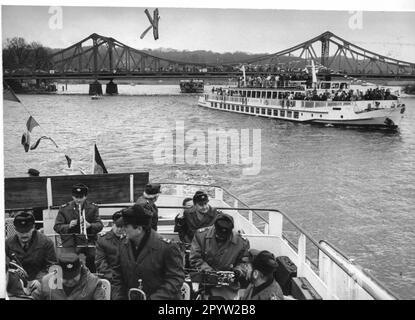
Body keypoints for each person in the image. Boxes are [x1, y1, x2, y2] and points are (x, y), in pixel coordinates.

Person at [111, 204, 185, 300]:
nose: (122, 229)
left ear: (139, 229)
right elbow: (117, 276)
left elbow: (175, 279)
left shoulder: (167, 247)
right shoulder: (123, 244)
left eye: (126, 226)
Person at [189, 212, 250, 299]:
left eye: (225, 235)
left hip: (228, 284)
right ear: (214, 228)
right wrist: (211, 273)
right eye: (219, 234)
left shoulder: (242, 242)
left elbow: (244, 262)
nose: (221, 237)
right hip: (204, 280)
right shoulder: (200, 235)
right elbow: (195, 258)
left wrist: (238, 271)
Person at [53, 183, 103, 273]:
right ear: (72, 196)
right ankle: (70, 277)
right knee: (68, 260)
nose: (78, 200)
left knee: (93, 257)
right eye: (76, 197)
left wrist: (90, 225)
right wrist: (68, 226)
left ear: (86, 196)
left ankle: (92, 276)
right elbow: (57, 227)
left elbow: (99, 225)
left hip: (89, 241)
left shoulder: (93, 208)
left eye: (81, 197)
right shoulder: (64, 209)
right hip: (70, 242)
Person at [6, 212, 57, 287]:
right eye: (20, 231)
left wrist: (40, 280)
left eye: (27, 231)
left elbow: (52, 266)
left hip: (39, 283)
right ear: (15, 229)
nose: (24, 234)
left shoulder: (46, 242)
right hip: (16, 284)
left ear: (33, 227)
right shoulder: (7, 243)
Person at [33, 253, 106, 300]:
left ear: (80, 270)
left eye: (74, 277)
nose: (70, 281)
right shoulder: (46, 281)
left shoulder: (93, 283)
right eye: (65, 278)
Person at [95, 210, 125, 281]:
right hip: (112, 278)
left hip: (128, 277)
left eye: (122, 226)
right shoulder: (103, 240)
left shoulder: (130, 238)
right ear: (113, 225)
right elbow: (100, 263)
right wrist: (112, 276)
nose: (119, 229)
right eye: (117, 226)